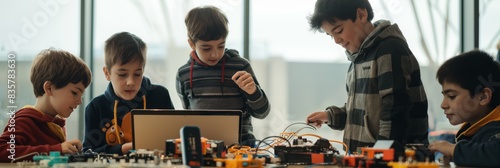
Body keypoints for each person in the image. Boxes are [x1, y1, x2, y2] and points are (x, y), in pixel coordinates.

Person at [305, 0, 429, 157]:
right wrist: (329, 116)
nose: (337, 40)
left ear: (361, 15)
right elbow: (363, 113)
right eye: (331, 36)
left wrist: (379, 157)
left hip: (395, 160)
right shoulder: (357, 60)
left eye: (339, 30)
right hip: (364, 157)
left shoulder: (389, 50)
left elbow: (395, 112)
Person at [176, 6, 270, 147]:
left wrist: (253, 92)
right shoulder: (183, 75)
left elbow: (263, 113)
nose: (215, 54)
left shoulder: (240, 66)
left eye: (221, 46)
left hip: (242, 146)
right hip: (204, 148)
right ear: (191, 44)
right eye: (206, 48)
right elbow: (189, 117)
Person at [83, 32, 175, 155]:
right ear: (107, 73)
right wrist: (123, 148)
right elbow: (88, 152)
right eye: (122, 74)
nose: (131, 82)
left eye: (137, 74)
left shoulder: (160, 95)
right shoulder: (95, 107)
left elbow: (175, 140)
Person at [0, 49, 92, 162]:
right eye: (74, 93)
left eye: (81, 95)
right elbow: (2, 150)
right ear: (49, 88)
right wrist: (56, 149)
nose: (79, 101)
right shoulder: (24, 120)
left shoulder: (55, 123)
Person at [428, 50, 500, 167]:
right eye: (444, 96)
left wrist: (453, 150)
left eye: (452, 96)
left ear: (483, 96)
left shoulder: (495, 131)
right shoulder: (472, 131)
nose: (443, 105)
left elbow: (495, 154)